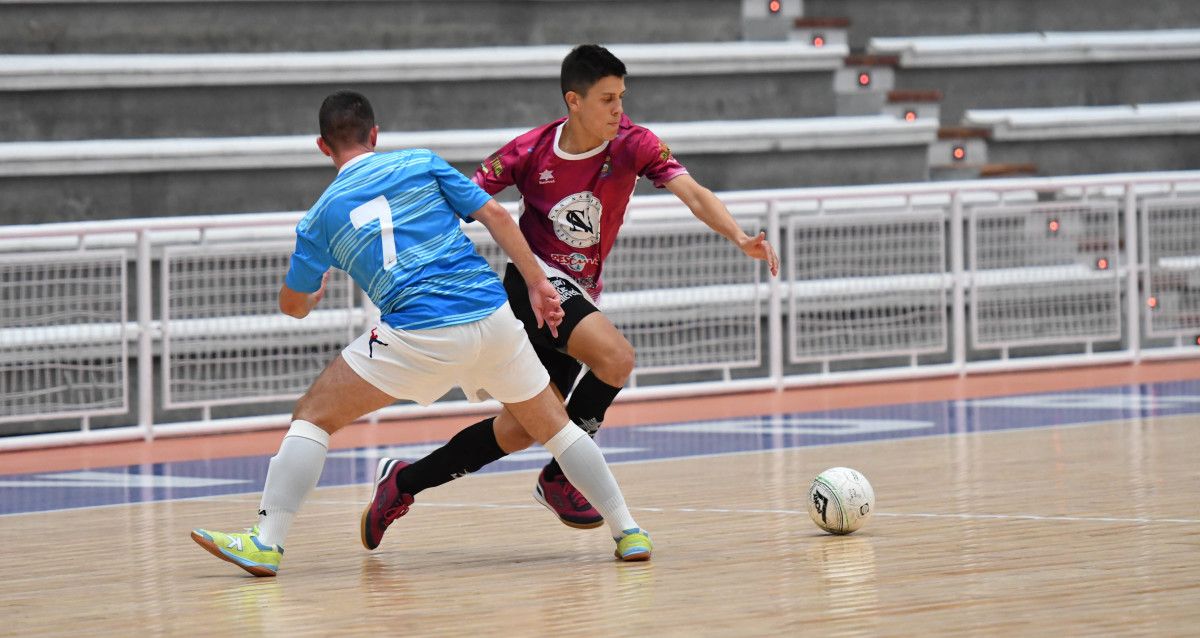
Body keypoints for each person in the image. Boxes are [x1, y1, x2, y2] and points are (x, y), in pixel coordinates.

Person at [190, 90, 652, 577]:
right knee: (556, 428)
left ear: (323, 148)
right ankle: (628, 531)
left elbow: (293, 307)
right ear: (375, 135)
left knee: (312, 417)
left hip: (417, 332)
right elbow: (495, 215)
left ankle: (266, 541)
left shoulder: (320, 218)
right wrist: (538, 283)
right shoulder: (420, 163)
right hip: (494, 319)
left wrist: (312, 294)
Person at [365, 44, 780, 540]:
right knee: (616, 358)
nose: (619, 109)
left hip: (577, 292)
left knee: (523, 428)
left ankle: (403, 482)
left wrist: (738, 235)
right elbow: (461, 198)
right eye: (607, 99)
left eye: (622, 97)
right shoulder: (529, 151)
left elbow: (692, 191)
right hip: (533, 283)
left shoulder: (634, 143)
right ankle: (563, 476)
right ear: (574, 101)